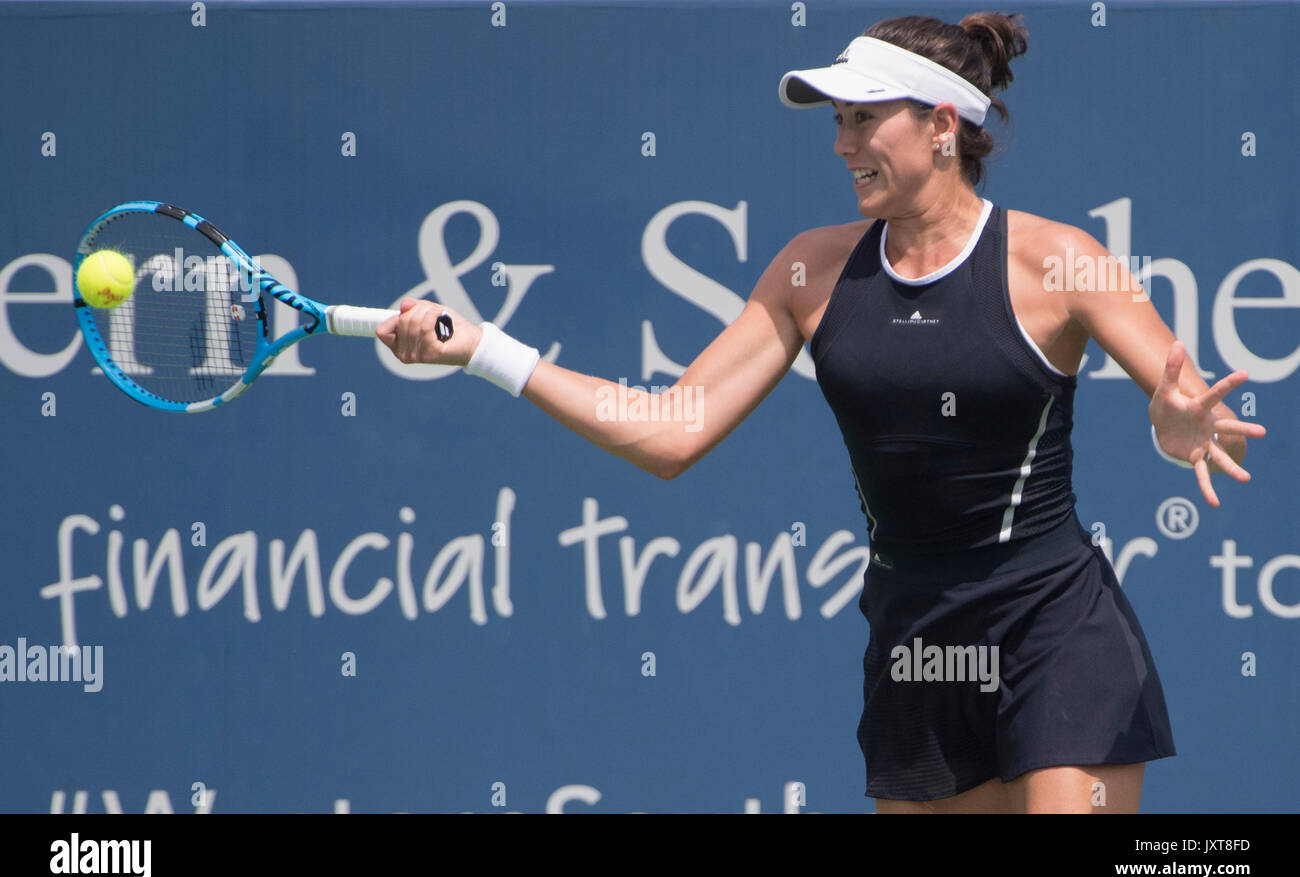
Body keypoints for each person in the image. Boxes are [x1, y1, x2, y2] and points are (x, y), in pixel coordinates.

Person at [376, 11, 1267, 813]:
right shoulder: (812, 270)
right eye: (838, 121)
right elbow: (670, 429)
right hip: (916, 645)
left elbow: (1176, 388)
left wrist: (1176, 423)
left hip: (1056, 627)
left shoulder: (1057, 259)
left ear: (942, 128)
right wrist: (485, 347)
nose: (842, 144)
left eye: (863, 118)